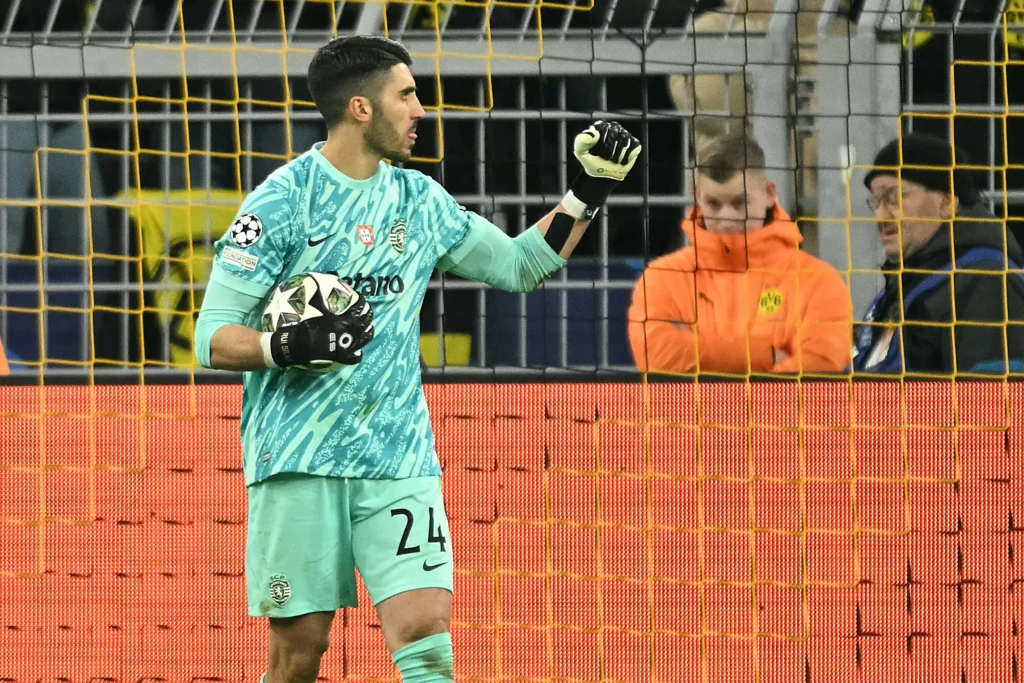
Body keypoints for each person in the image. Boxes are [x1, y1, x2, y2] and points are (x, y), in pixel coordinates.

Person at [192, 36, 641, 683]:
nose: (420, 109)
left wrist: (587, 190)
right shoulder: (282, 200)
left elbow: (520, 265)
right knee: (299, 653)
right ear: (361, 108)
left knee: (427, 638)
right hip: (297, 459)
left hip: (398, 457)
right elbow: (212, 336)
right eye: (406, 94)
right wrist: (287, 344)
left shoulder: (420, 201)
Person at [628, 133, 852, 374]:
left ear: (769, 194)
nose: (726, 218)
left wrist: (695, 351)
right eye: (714, 204)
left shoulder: (816, 280)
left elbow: (819, 368)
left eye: (739, 203)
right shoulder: (663, 277)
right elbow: (656, 354)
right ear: (698, 197)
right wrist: (767, 356)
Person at [853, 132, 1024, 374]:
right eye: (876, 202)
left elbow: (994, 396)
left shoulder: (986, 282)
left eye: (895, 197)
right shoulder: (903, 289)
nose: (880, 217)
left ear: (947, 202)